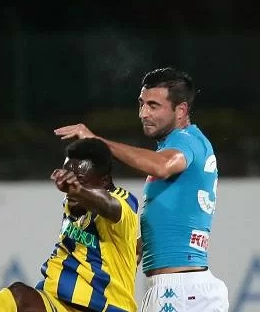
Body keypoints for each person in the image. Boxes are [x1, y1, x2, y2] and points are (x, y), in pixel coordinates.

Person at [54, 67, 229, 312]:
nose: (143, 113)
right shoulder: (184, 144)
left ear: (181, 110)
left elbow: (162, 166)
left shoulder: (185, 141)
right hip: (179, 287)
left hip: (179, 290)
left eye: (153, 106)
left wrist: (95, 141)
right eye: (142, 104)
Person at [0, 138, 140, 312]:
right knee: (18, 296)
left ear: (103, 181)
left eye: (79, 179)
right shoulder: (73, 203)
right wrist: (77, 191)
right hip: (59, 303)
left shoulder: (122, 203)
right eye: (67, 178)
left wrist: (78, 190)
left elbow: (109, 205)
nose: (69, 188)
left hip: (104, 308)